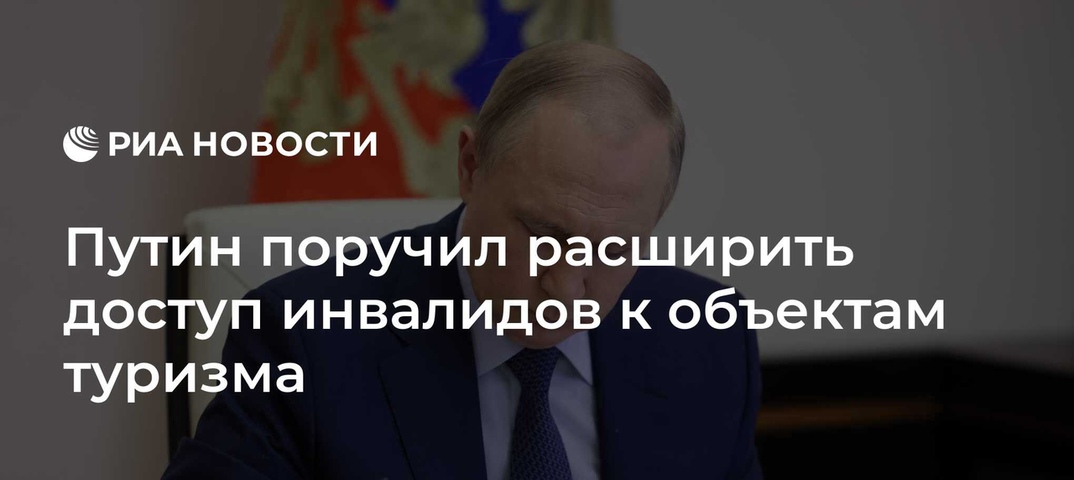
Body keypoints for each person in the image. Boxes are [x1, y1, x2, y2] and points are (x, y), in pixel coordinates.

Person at [163, 41, 761, 480]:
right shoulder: (304, 338)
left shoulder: (707, 339)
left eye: (611, 250)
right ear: (471, 167)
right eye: (541, 234)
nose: (563, 288)